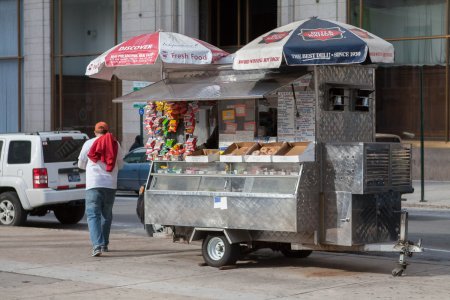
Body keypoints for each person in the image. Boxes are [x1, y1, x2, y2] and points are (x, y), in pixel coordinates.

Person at [78, 121, 124, 257]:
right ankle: (104, 244)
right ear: (107, 131)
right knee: (106, 215)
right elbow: (120, 165)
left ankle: (97, 245)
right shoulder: (116, 144)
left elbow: (81, 164)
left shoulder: (88, 143)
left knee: (93, 215)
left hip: (93, 184)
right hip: (110, 184)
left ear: (95, 131)